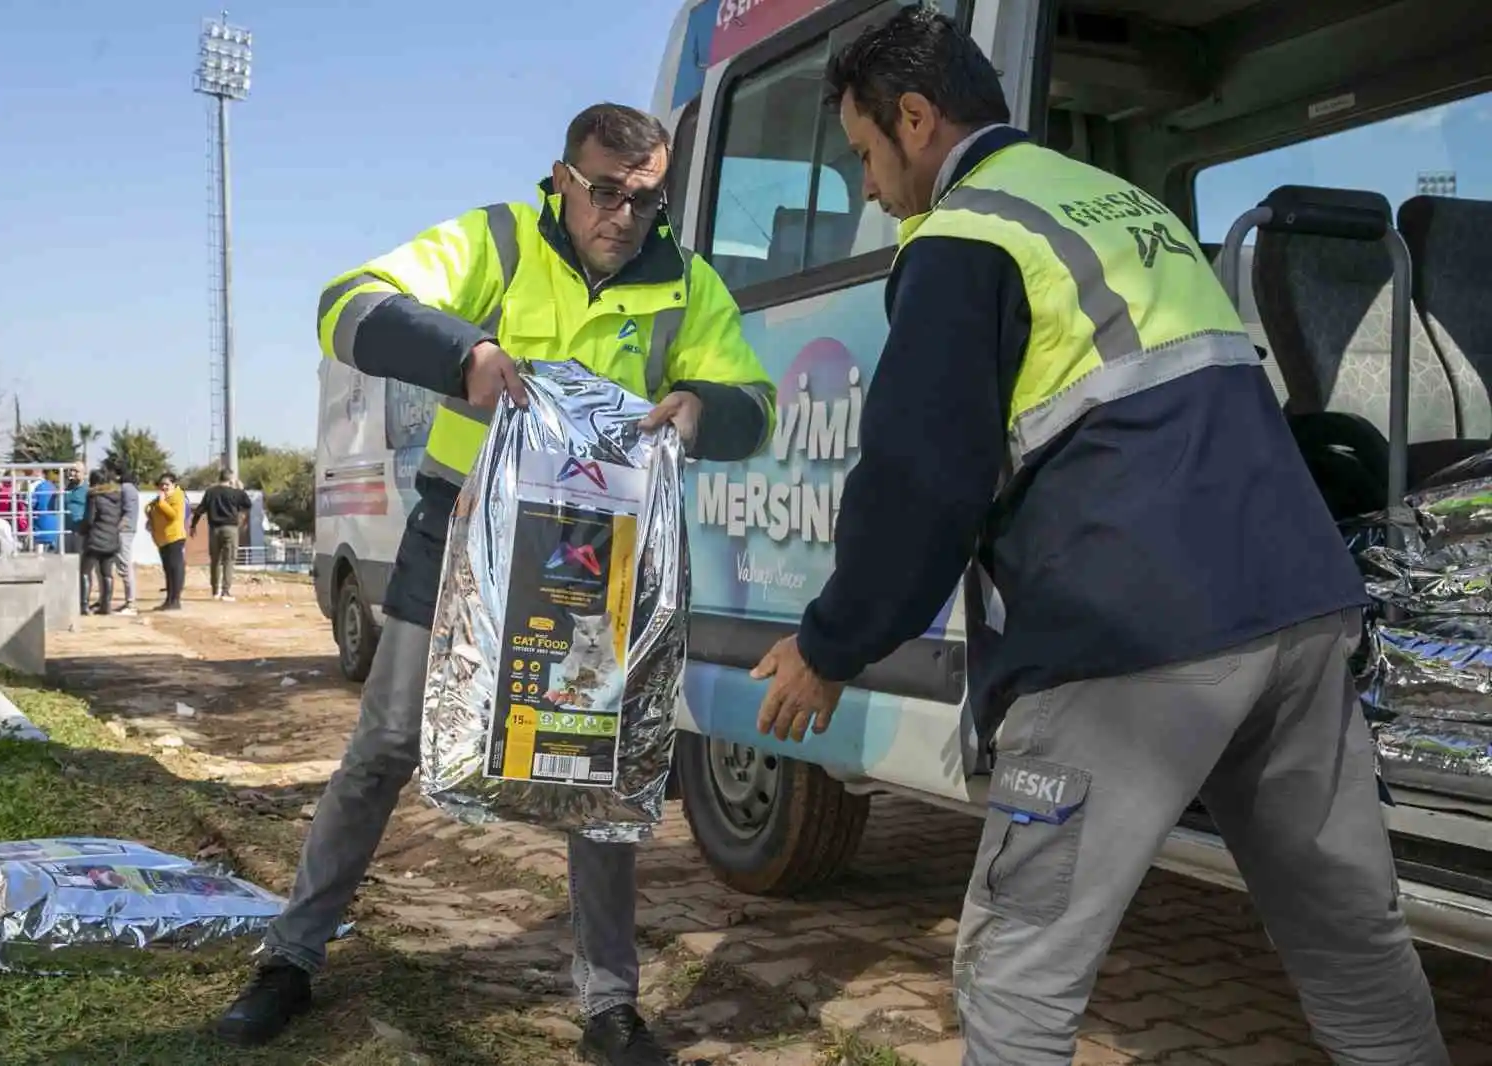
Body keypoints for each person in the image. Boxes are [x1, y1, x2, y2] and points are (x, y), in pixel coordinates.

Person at [748, 9, 1448, 1066]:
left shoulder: (968, 233)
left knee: (1017, 973)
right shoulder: (1124, 207)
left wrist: (830, 642)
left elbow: (918, 482)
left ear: (915, 117)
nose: (870, 192)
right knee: (1351, 938)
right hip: (1300, 609)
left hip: (1129, 633)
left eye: (863, 157)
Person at [215, 102, 775, 1065]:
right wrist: (463, 353)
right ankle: (289, 960)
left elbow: (755, 406)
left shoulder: (687, 284)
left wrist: (703, 406)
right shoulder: (499, 243)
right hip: (464, 535)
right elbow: (347, 303)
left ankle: (609, 1007)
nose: (626, 216)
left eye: (647, 198)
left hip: (597, 558)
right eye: (606, 192)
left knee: (592, 769)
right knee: (386, 743)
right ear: (562, 178)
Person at [191, 468, 252, 600]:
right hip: (230, 528)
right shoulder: (235, 493)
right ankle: (226, 591)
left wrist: (193, 525)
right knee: (229, 559)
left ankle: (215, 591)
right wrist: (241, 489)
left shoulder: (210, 492)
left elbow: (199, 510)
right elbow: (248, 503)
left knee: (215, 560)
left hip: (214, 529)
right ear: (231, 479)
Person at [76, 469, 122, 615]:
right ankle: (106, 606)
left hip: (95, 539)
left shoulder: (94, 497)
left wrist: (82, 530)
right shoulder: (116, 497)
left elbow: (89, 519)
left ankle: (84, 606)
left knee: (85, 571)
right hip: (112, 540)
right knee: (107, 573)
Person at [146, 472, 187, 611]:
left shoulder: (177, 497)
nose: (164, 487)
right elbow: (149, 508)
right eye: (161, 484)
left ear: (174, 485)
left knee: (176, 569)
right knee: (168, 570)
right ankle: (169, 600)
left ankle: (175, 600)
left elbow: (172, 515)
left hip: (174, 537)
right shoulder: (161, 498)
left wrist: (161, 502)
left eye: (167, 484)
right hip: (162, 539)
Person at [111, 463, 140, 614]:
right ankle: (129, 602)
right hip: (126, 530)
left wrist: (116, 529)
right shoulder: (130, 488)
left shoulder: (126, 489)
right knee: (124, 565)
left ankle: (131, 603)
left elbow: (127, 513)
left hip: (124, 531)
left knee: (125, 565)